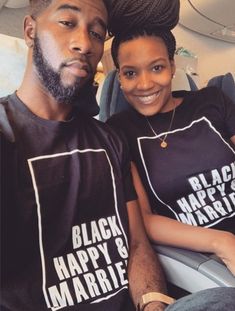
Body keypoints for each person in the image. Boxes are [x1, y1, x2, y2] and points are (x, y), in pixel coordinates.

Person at [1, 0, 235, 310]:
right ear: (30, 30)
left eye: (97, 33)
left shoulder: (107, 139)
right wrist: (220, 241)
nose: (84, 43)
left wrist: (154, 304)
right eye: (67, 23)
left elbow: (137, 243)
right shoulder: (10, 134)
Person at [107, 25, 235, 277]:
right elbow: (143, 219)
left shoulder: (211, 100)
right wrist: (222, 242)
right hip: (206, 258)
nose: (144, 84)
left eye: (157, 67)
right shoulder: (118, 130)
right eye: (130, 73)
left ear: (172, 66)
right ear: (120, 78)